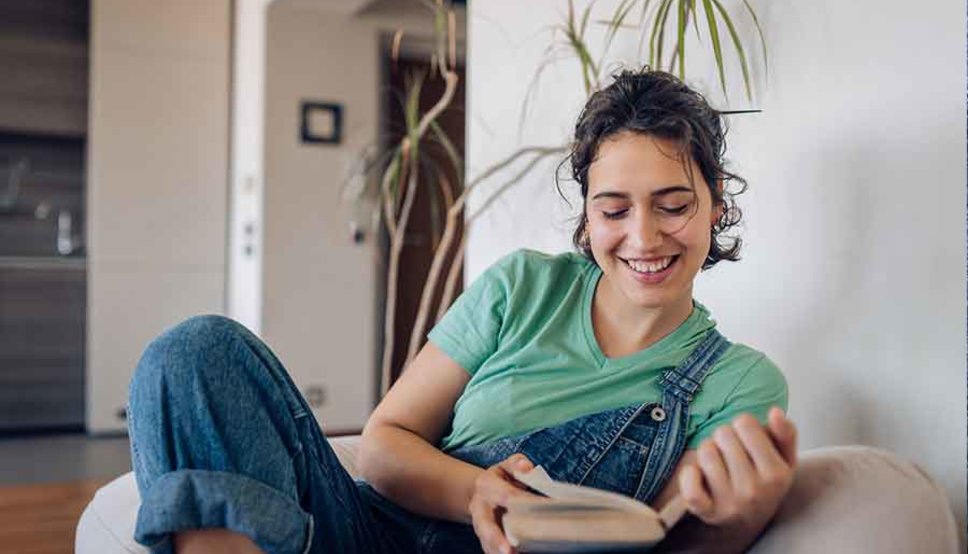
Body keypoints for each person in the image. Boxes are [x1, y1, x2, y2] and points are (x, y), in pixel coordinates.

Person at [127, 67, 797, 554]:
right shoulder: (522, 288)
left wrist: (739, 518)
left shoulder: (738, 382)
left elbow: (665, 541)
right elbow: (385, 445)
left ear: (717, 204)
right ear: (587, 217)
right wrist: (476, 491)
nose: (644, 237)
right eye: (613, 209)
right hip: (363, 536)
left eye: (674, 205)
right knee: (192, 352)